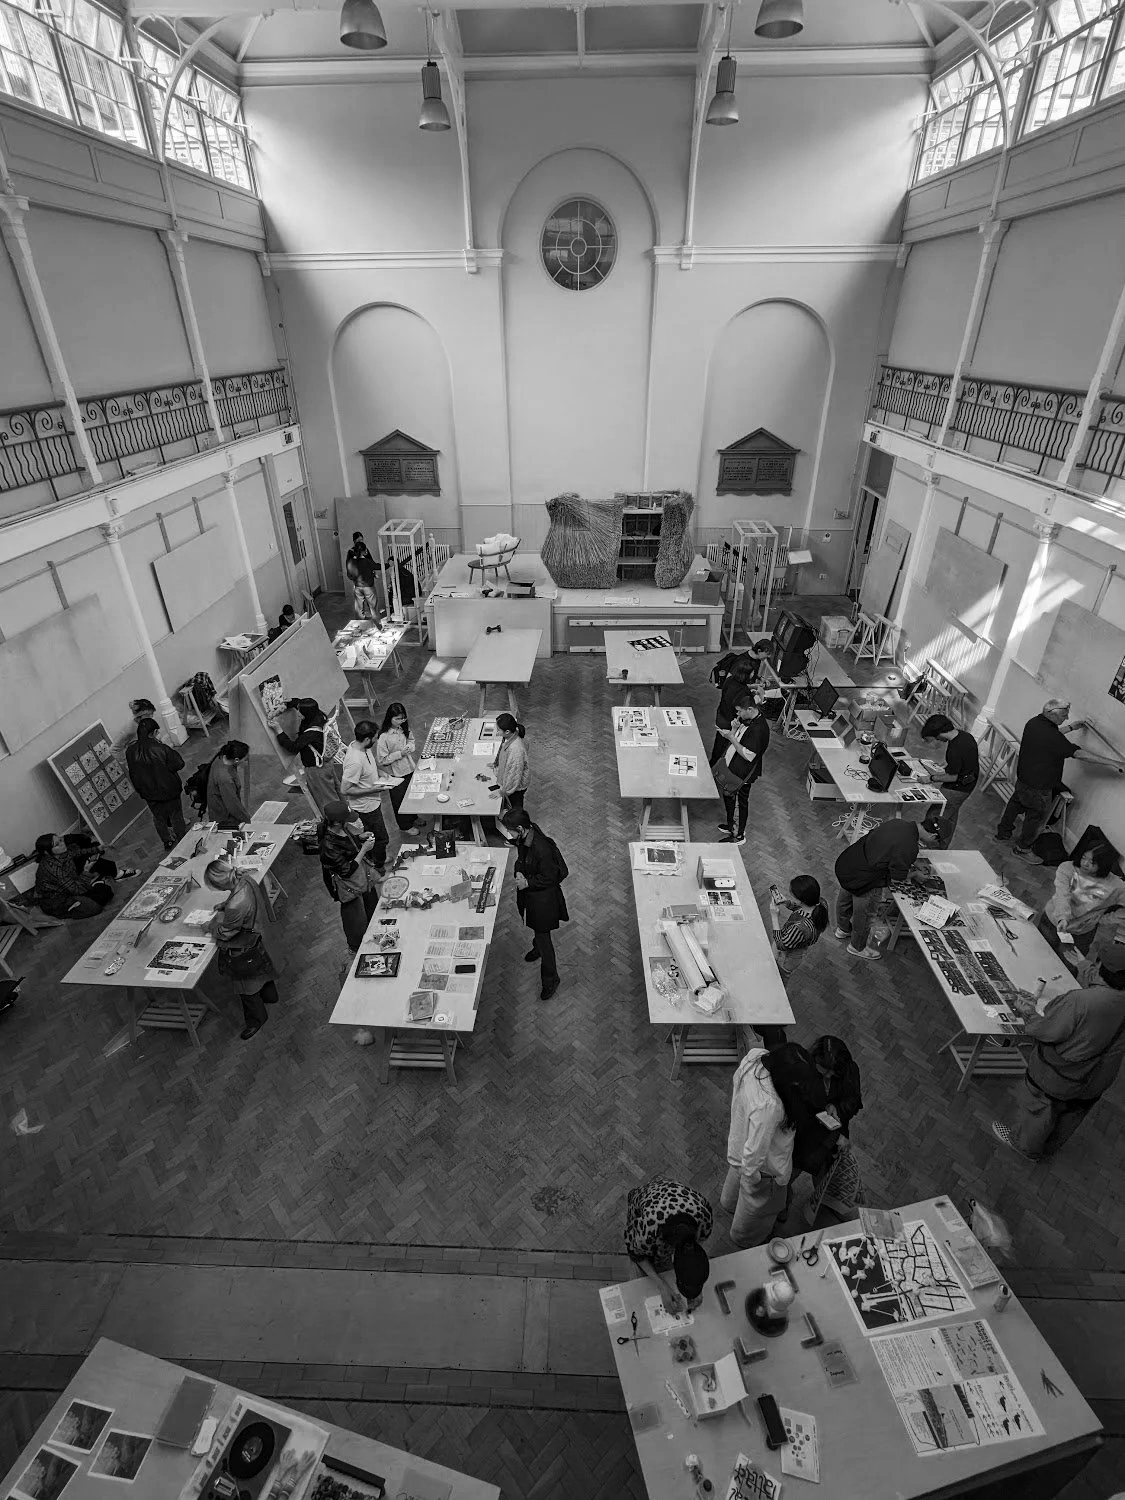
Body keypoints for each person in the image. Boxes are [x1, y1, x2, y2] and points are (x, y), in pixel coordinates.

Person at [991, 943, 1125, 1160]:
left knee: (1040, 1111)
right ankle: (1049, 1148)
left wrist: (1028, 1012)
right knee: (1072, 1113)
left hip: (1062, 1075)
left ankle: (1026, 1147)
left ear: (1101, 967)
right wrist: (1084, 966)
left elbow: (1047, 1031)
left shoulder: (1081, 1000)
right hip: (1100, 1076)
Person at [997, 699, 1124, 864]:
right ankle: (1022, 848)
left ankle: (1003, 832)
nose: (1067, 717)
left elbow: (1053, 735)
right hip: (1039, 786)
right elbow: (1078, 753)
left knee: (1015, 804)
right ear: (1051, 713)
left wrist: (1072, 727)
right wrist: (1114, 762)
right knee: (1036, 819)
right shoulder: (1051, 736)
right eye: (1064, 715)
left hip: (1024, 778)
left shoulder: (1035, 723)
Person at [722, 1042, 820, 1248]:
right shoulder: (770, 1106)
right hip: (765, 1169)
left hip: (737, 1149)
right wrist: (756, 1178)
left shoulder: (756, 1057)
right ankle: (745, 1238)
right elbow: (755, 1152)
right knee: (753, 1215)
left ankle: (731, 1205)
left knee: (732, 1194)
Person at [204, 855, 280, 1041]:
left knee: (246, 986)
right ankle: (270, 996)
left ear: (220, 885)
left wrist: (209, 926)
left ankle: (256, 1020)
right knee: (263, 970)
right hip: (258, 934)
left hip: (244, 947)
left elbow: (226, 933)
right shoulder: (244, 878)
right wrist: (225, 905)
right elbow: (239, 899)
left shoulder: (236, 905)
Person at [500, 807, 568, 1001]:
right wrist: (515, 842)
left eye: (512, 831)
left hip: (544, 902)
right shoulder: (528, 832)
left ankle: (551, 979)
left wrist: (527, 882)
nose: (510, 834)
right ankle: (537, 947)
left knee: (545, 941)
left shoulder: (542, 849)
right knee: (537, 932)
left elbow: (551, 877)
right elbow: (525, 852)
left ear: (521, 828)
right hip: (533, 898)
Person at [833, 819, 921, 961]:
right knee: (865, 915)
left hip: (849, 865)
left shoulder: (898, 823)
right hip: (867, 879)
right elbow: (898, 877)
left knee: (845, 899)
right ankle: (857, 947)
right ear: (933, 836)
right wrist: (915, 874)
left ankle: (842, 929)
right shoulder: (909, 846)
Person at [624, 1177, 713, 1315]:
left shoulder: (704, 1221)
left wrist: (696, 1289)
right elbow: (635, 1254)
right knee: (639, 1286)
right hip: (647, 1198)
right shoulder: (649, 1229)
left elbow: (694, 1252)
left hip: (678, 1197)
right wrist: (662, 1286)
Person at [798, 1037, 865, 1221]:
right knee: (791, 1171)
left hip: (832, 1133)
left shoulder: (850, 1071)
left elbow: (853, 1101)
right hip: (806, 1136)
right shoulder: (802, 1072)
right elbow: (800, 1113)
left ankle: (827, 1200)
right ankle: (783, 1204)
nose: (827, 1077)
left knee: (827, 1171)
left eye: (832, 1074)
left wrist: (836, 1106)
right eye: (823, 1072)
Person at [317, 800, 382, 956]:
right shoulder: (327, 846)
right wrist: (364, 850)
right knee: (356, 921)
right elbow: (346, 871)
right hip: (349, 885)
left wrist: (360, 838)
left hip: (362, 879)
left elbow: (347, 843)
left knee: (372, 906)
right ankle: (356, 948)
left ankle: (374, 931)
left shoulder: (341, 828)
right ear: (338, 822)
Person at [1040, 844, 1124, 962]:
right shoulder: (1067, 868)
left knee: (1068, 965)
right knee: (1040, 951)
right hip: (1051, 920)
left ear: (1104, 864)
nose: (1085, 863)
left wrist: (1106, 919)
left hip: (1081, 932)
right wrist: (1063, 917)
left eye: (1092, 862)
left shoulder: (1116, 886)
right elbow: (1062, 894)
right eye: (1084, 858)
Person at [32, 833, 137, 919]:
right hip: (59, 900)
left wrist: (98, 848)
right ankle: (91, 887)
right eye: (57, 844)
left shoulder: (61, 853)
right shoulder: (54, 869)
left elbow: (77, 853)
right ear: (47, 852)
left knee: (91, 860)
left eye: (61, 840)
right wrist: (86, 871)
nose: (62, 843)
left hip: (71, 882)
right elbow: (76, 890)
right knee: (98, 902)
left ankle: (114, 876)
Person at [715, 690, 769, 847]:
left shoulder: (759, 729)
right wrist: (735, 730)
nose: (737, 713)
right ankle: (731, 824)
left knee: (739, 802)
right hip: (734, 769)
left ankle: (738, 834)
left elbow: (748, 754)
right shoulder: (750, 720)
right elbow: (742, 738)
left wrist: (731, 738)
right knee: (729, 796)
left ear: (750, 710)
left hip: (743, 774)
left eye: (739, 711)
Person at [125, 716, 187, 850]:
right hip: (169, 790)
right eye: (157, 732)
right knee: (176, 816)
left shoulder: (130, 751)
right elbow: (179, 764)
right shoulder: (161, 748)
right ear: (153, 733)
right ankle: (183, 841)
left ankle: (167, 841)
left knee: (159, 818)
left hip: (149, 793)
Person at [918, 713, 979, 848]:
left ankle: (931, 847)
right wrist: (947, 765)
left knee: (935, 818)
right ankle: (942, 848)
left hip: (957, 789)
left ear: (939, 734)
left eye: (933, 739)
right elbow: (964, 763)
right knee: (949, 817)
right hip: (968, 784)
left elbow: (953, 777)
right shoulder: (964, 736)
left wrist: (931, 778)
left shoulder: (955, 749)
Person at [709, 644, 771, 765]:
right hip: (729, 722)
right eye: (752, 673)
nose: (753, 675)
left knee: (718, 747)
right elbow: (744, 706)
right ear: (746, 674)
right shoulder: (741, 691)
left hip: (721, 715)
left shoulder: (730, 680)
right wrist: (757, 698)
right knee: (724, 749)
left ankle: (712, 764)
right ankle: (716, 768)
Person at [341, 722, 391, 868]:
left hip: (373, 802)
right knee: (380, 839)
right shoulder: (355, 762)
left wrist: (381, 773)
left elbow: (370, 765)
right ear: (368, 739)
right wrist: (373, 790)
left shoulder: (362, 747)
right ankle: (378, 867)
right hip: (365, 808)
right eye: (375, 737)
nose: (377, 740)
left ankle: (376, 859)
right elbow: (345, 790)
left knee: (376, 837)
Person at [275, 700, 340, 812]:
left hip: (317, 770)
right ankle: (343, 815)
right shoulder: (318, 716)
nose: (298, 714)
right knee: (334, 791)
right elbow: (300, 703)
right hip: (326, 764)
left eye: (300, 712)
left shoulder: (311, 733)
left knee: (326, 799)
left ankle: (334, 822)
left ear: (307, 714)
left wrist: (279, 730)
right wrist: (288, 703)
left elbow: (293, 747)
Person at [770, 874, 829, 985]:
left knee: (779, 981)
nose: (792, 896)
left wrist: (774, 917)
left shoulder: (799, 928)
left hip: (787, 957)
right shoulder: (820, 903)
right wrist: (786, 902)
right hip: (796, 945)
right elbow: (801, 909)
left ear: (801, 900)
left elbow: (780, 944)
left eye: (794, 896)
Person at [375, 703, 420, 833]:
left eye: (403, 718)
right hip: (395, 773)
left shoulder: (403, 728)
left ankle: (413, 817)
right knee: (399, 800)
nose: (400, 721)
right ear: (390, 718)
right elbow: (382, 760)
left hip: (409, 767)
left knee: (411, 794)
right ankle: (405, 826)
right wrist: (400, 754)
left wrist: (410, 747)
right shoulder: (383, 737)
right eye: (397, 719)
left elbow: (411, 740)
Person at [206, 740, 251, 829]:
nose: (246, 761)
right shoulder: (225, 779)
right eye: (245, 759)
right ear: (236, 760)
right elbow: (232, 805)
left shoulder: (222, 757)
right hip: (225, 818)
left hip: (219, 810)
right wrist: (247, 820)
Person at [493, 713, 530, 812]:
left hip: (515, 789)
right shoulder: (511, 736)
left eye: (498, 730)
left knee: (515, 810)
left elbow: (513, 776)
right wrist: (496, 764)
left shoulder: (516, 750)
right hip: (509, 784)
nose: (497, 732)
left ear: (507, 731)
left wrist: (502, 792)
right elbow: (503, 753)